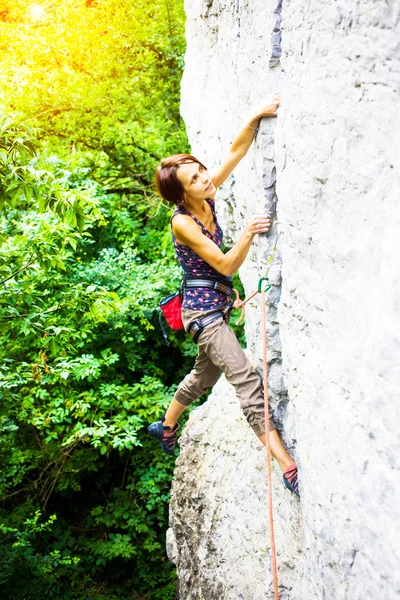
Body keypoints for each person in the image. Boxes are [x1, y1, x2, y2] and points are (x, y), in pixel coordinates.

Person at [148, 94, 299, 497]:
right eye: (194, 179)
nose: (204, 178)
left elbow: (234, 151)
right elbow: (227, 265)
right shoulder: (183, 222)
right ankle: (288, 466)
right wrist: (249, 232)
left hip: (215, 306)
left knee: (204, 376)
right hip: (203, 316)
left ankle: (164, 426)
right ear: (182, 194)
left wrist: (255, 115)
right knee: (245, 378)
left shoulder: (207, 194)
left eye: (200, 171)